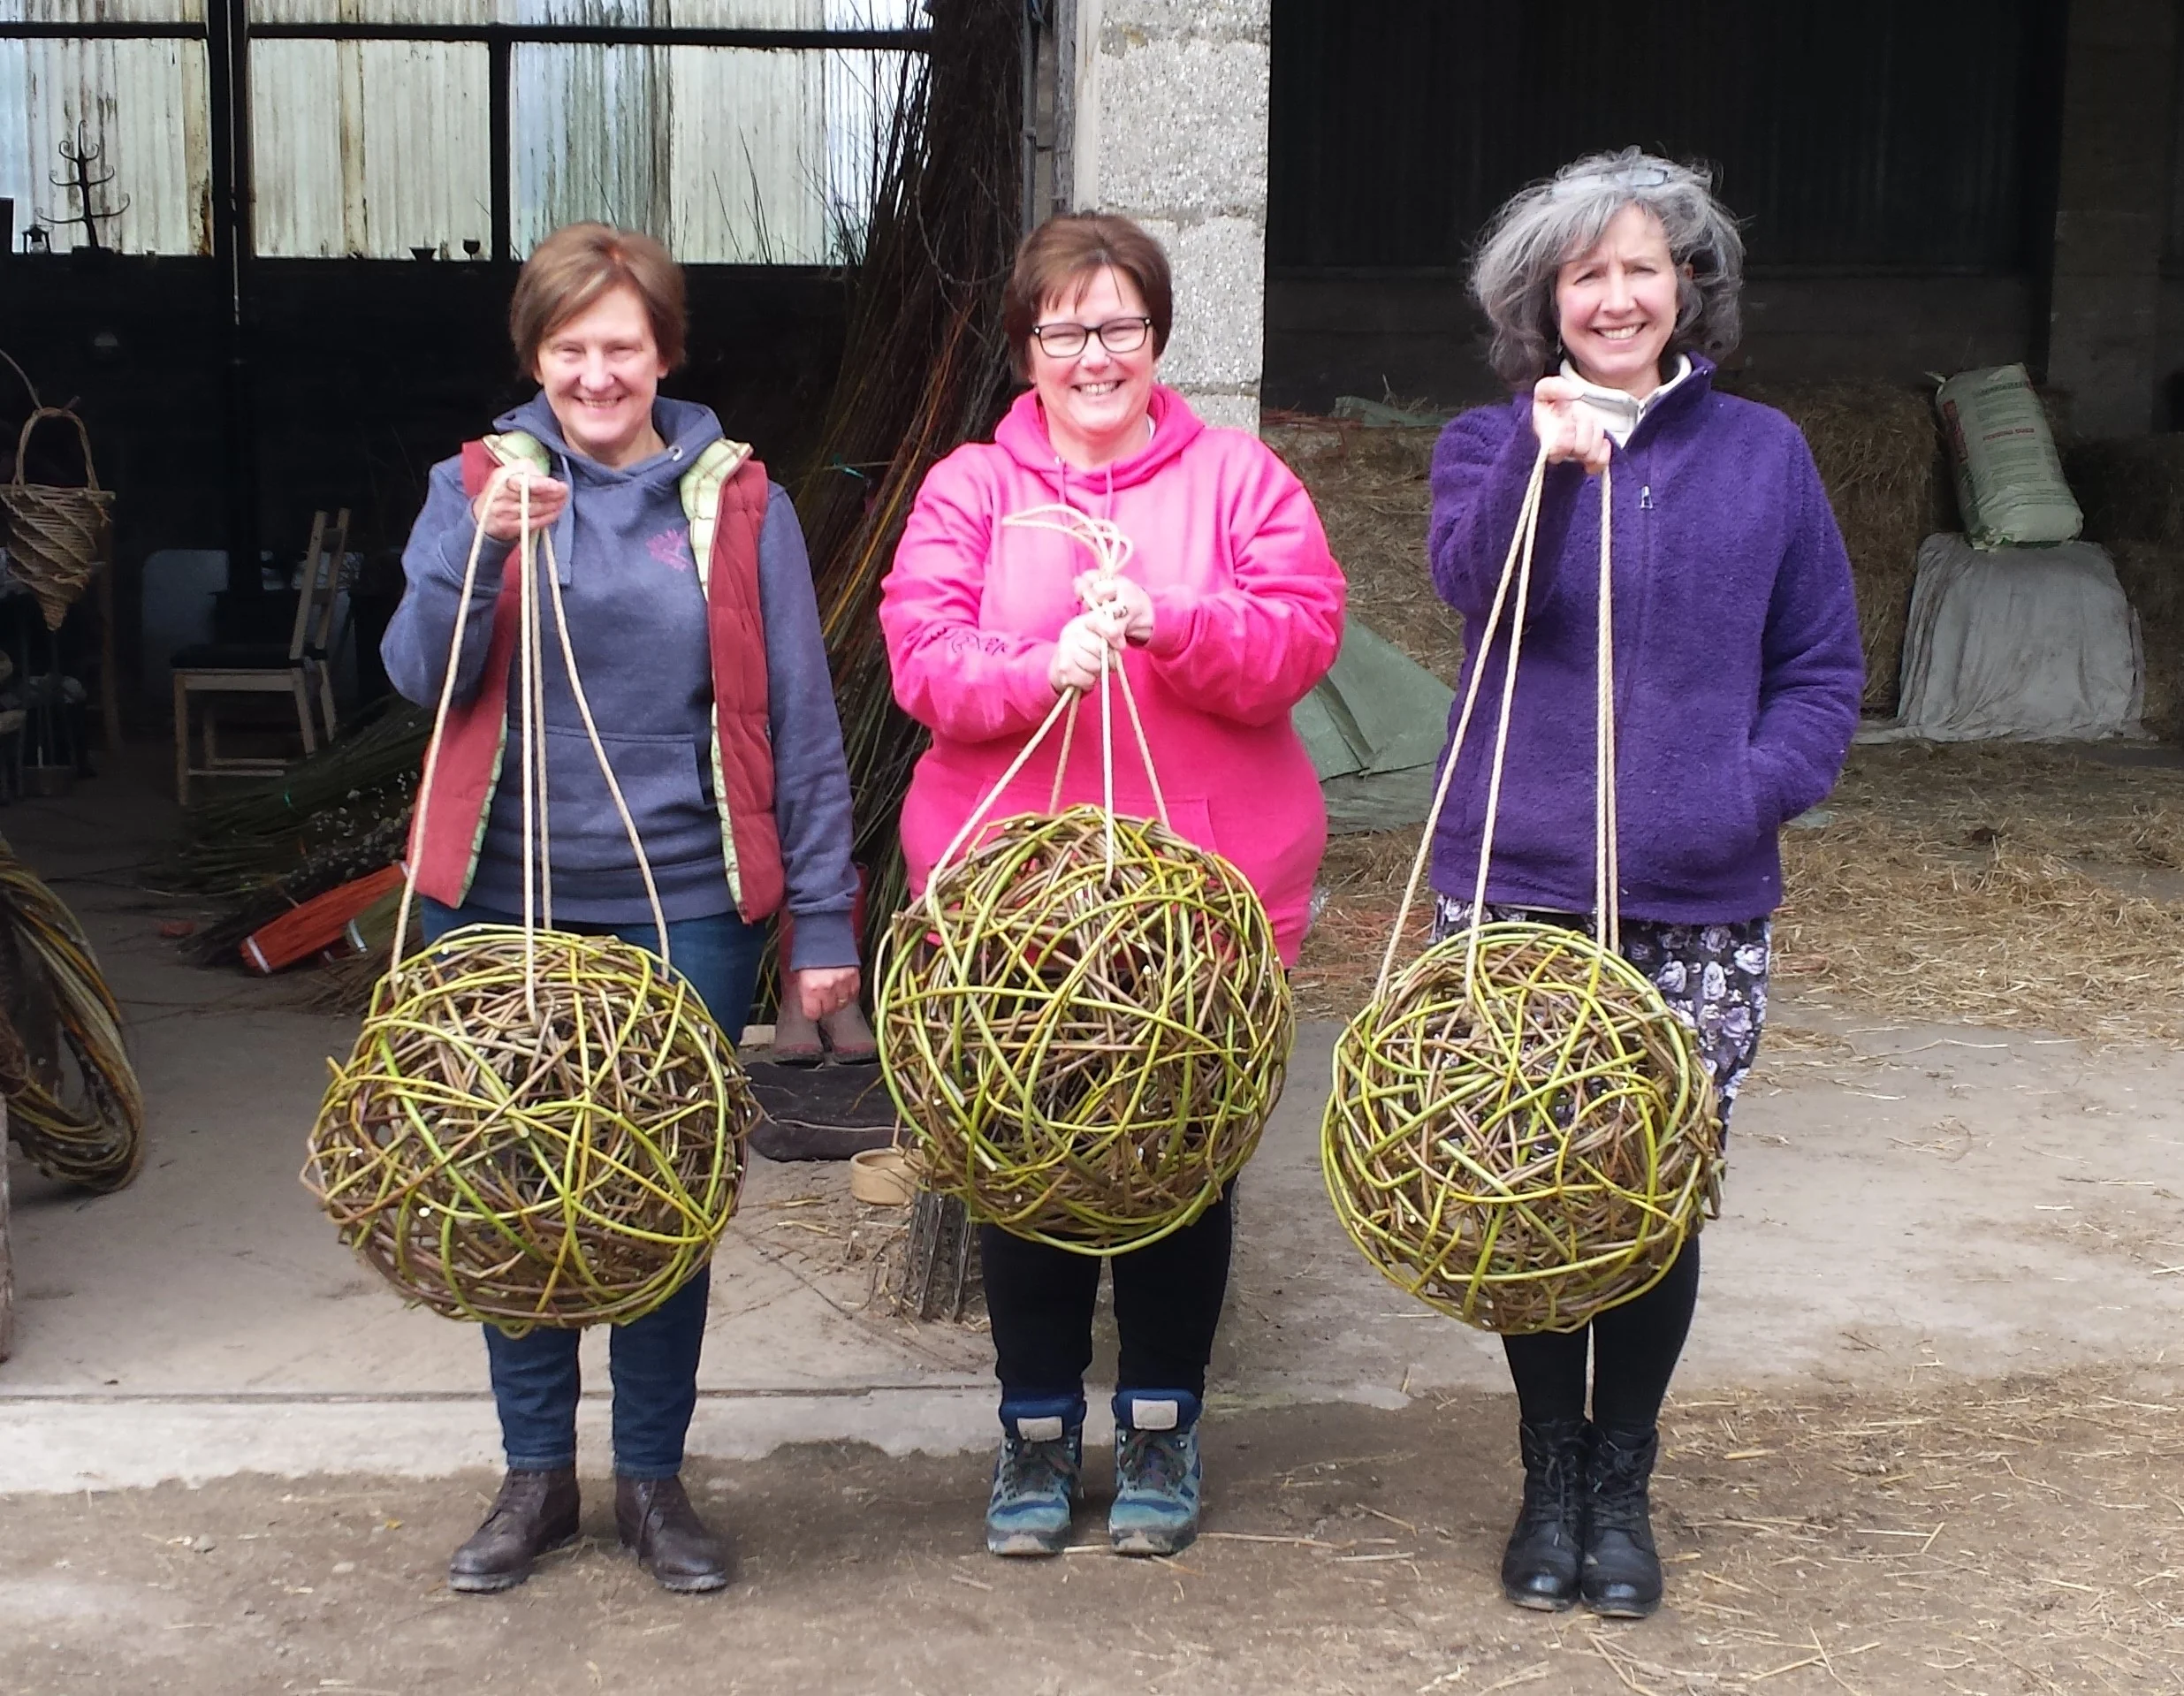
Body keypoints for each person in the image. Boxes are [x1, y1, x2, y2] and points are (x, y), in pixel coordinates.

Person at [382, 222, 862, 1596]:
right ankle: (535, 1479)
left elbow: (798, 720)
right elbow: (418, 678)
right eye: (570, 349)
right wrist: (469, 556)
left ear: (665, 354)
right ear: (536, 357)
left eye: (622, 347)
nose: (596, 374)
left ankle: (652, 1480)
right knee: (515, 1191)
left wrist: (820, 922)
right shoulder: (473, 483)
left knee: (658, 1201)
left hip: (686, 910)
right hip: (495, 900)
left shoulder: (737, 503)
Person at [1425, 151, 1861, 1618]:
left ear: (1688, 288)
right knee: (1535, 1195)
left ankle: (1623, 1484)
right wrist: (1547, 468)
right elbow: (1475, 599)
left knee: (1650, 1194)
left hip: (1697, 898)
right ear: (1541, 303)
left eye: (1639, 268)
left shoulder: (1769, 456)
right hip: (1518, 886)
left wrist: (1738, 791)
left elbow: (1820, 671)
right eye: (1583, 273)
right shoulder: (1488, 447)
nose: (1614, 296)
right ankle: (1547, 1474)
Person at [879, 212, 1344, 1560]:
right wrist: (1037, 670)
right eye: (1066, 328)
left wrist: (1168, 623)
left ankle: (1158, 1420)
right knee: (1023, 1164)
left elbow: (1299, 637)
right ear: (1026, 347)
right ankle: (1032, 1430)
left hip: (1202, 898)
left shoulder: (1239, 479)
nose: (1095, 354)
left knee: (1177, 1169)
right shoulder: (971, 487)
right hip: (1010, 907)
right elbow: (923, 655)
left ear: (1157, 337)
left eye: (1121, 325)